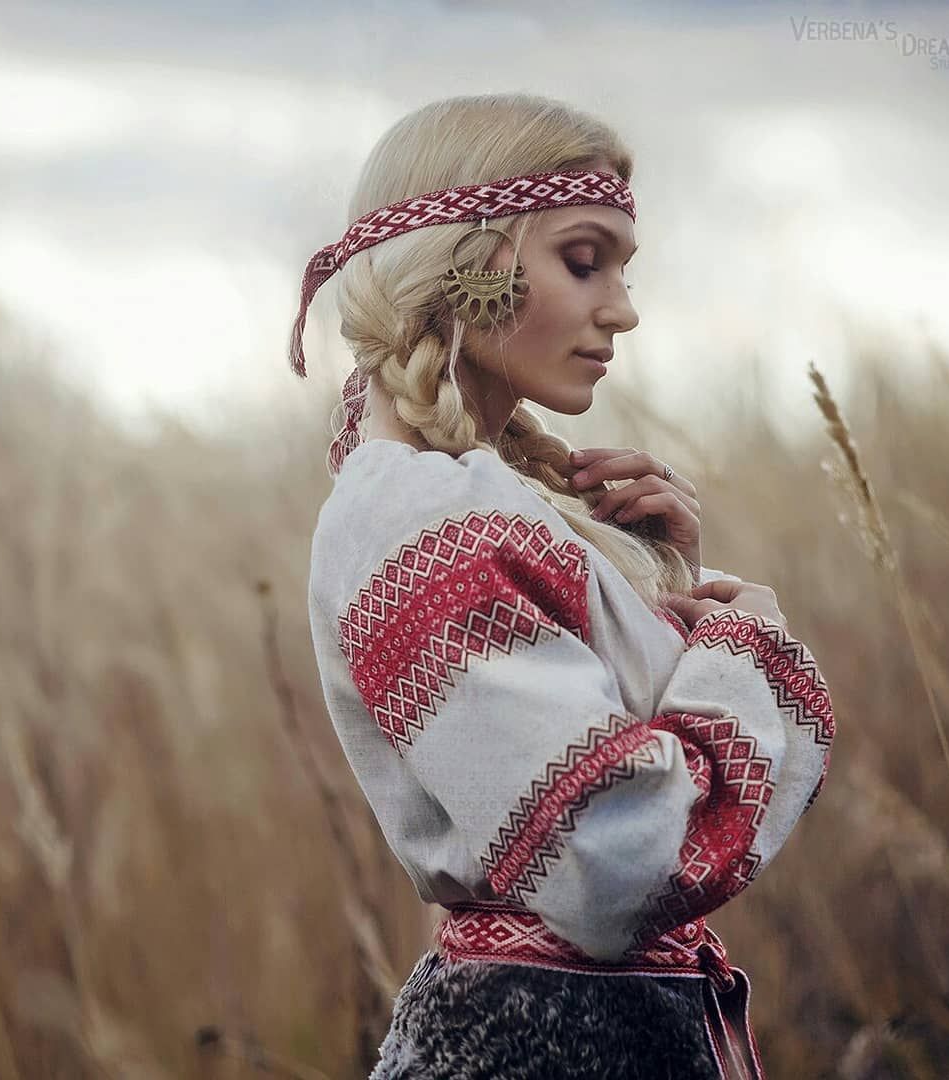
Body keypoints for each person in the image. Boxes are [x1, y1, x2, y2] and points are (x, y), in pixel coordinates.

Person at [293, 93, 835, 1080]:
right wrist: (745, 653)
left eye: (622, 270)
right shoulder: (423, 518)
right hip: (539, 1047)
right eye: (583, 261)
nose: (621, 308)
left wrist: (659, 587)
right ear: (463, 260)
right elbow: (608, 860)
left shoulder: (466, 502)